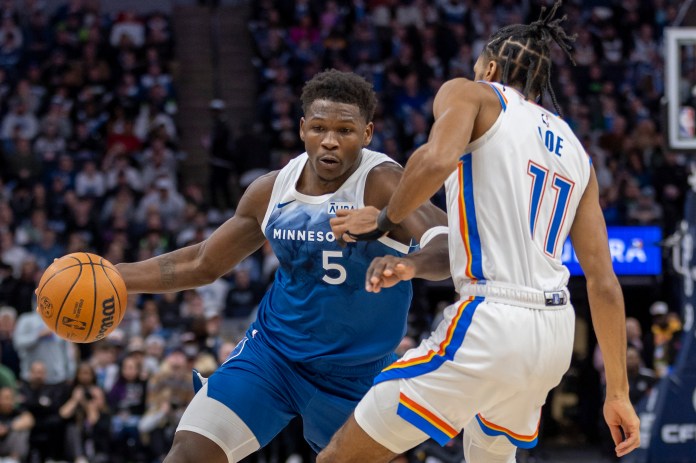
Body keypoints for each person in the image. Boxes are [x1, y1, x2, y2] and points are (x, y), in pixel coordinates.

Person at [322, 3, 641, 462]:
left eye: (477, 67)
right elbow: (604, 282)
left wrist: (385, 219)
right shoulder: (575, 148)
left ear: (490, 67)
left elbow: (435, 160)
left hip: (493, 321)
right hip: (553, 336)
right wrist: (618, 393)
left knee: (340, 456)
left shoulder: (471, 94)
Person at [114, 69, 448, 462]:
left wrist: (409, 263)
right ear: (303, 128)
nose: (330, 141)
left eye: (345, 131)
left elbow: (447, 247)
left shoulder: (384, 182)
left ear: (367, 134)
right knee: (187, 456)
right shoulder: (272, 189)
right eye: (320, 127)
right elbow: (203, 263)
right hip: (272, 357)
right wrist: (114, 275)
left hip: (357, 375)